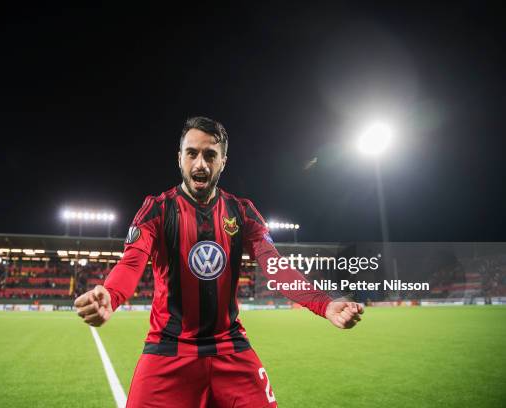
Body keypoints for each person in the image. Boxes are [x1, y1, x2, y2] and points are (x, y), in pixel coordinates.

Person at [74, 116, 363, 407]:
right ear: (179, 158)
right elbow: (131, 262)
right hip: (168, 352)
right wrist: (111, 294)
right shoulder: (157, 210)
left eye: (210, 155)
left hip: (231, 349)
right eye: (192, 153)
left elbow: (276, 267)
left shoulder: (243, 212)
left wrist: (323, 304)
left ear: (223, 161)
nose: (200, 164)